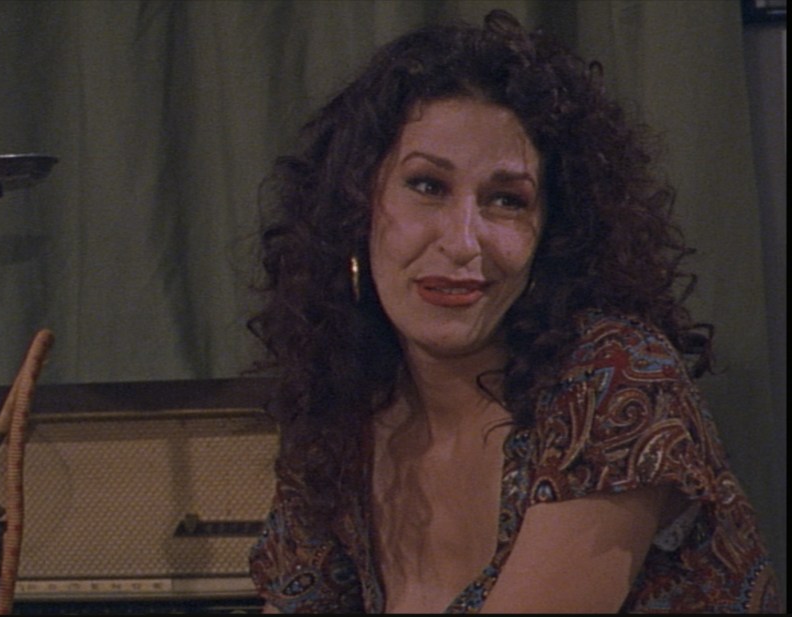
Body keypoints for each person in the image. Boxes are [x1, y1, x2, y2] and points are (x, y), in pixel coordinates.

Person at [246, 9, 779, 614]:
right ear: (355, 205)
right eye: (427, 186)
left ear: (552, 231)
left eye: (506, 200)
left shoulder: (614, 379)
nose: (462, 241)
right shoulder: (344, 407)